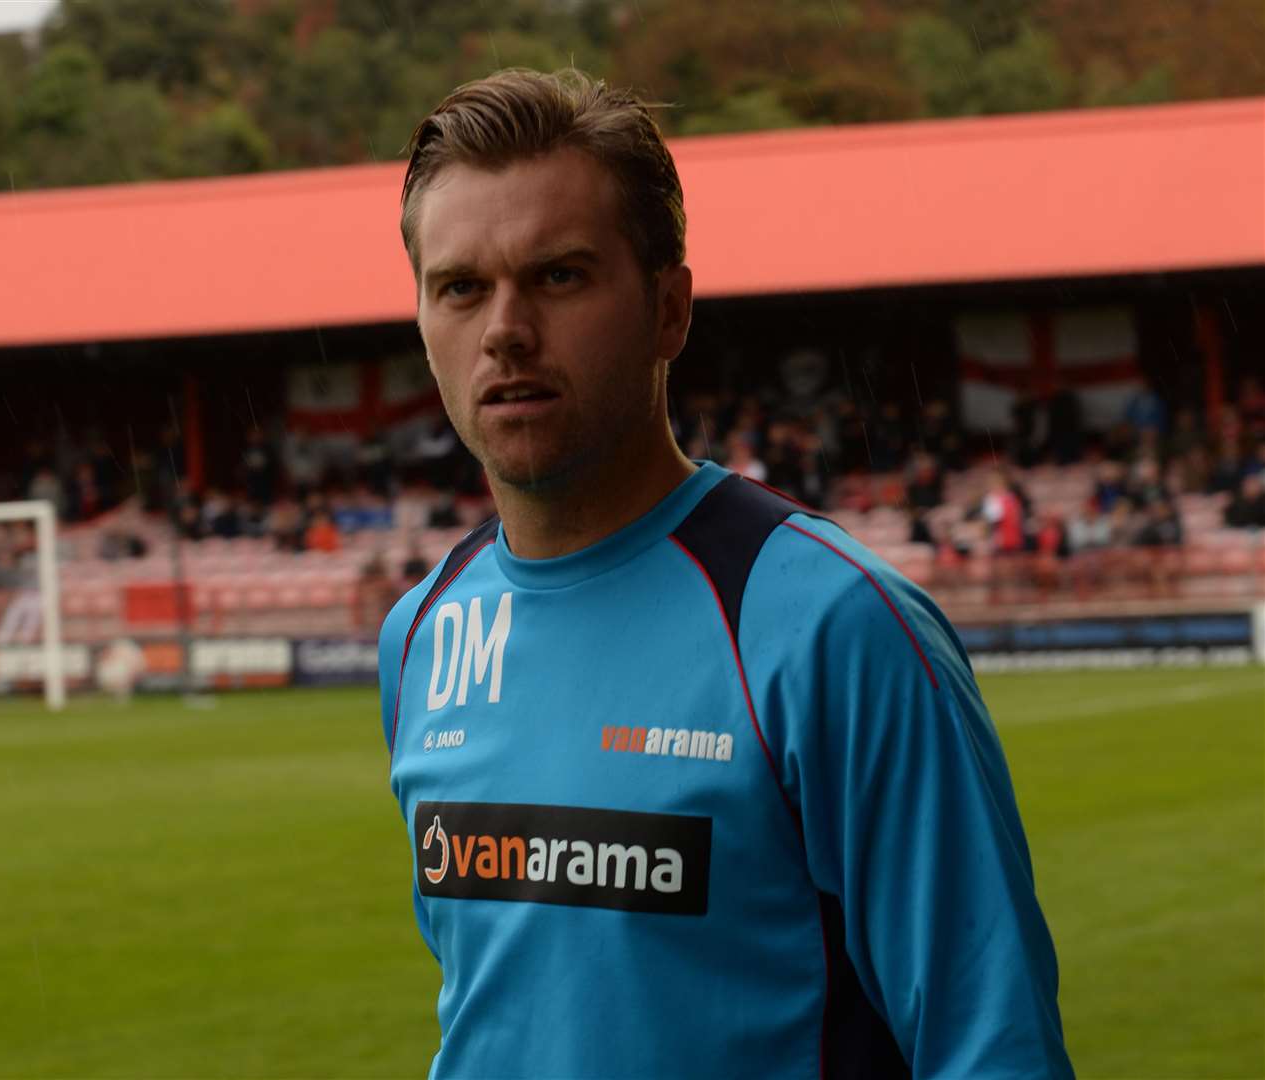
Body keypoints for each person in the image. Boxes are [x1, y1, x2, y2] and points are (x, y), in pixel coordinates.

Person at [376, 68, 1072, 1079]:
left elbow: (992, 1047)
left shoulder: (832, 626)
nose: (505, 330)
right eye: (461, 287)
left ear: (671, 311)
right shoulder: (423, 634)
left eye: (560, 276)